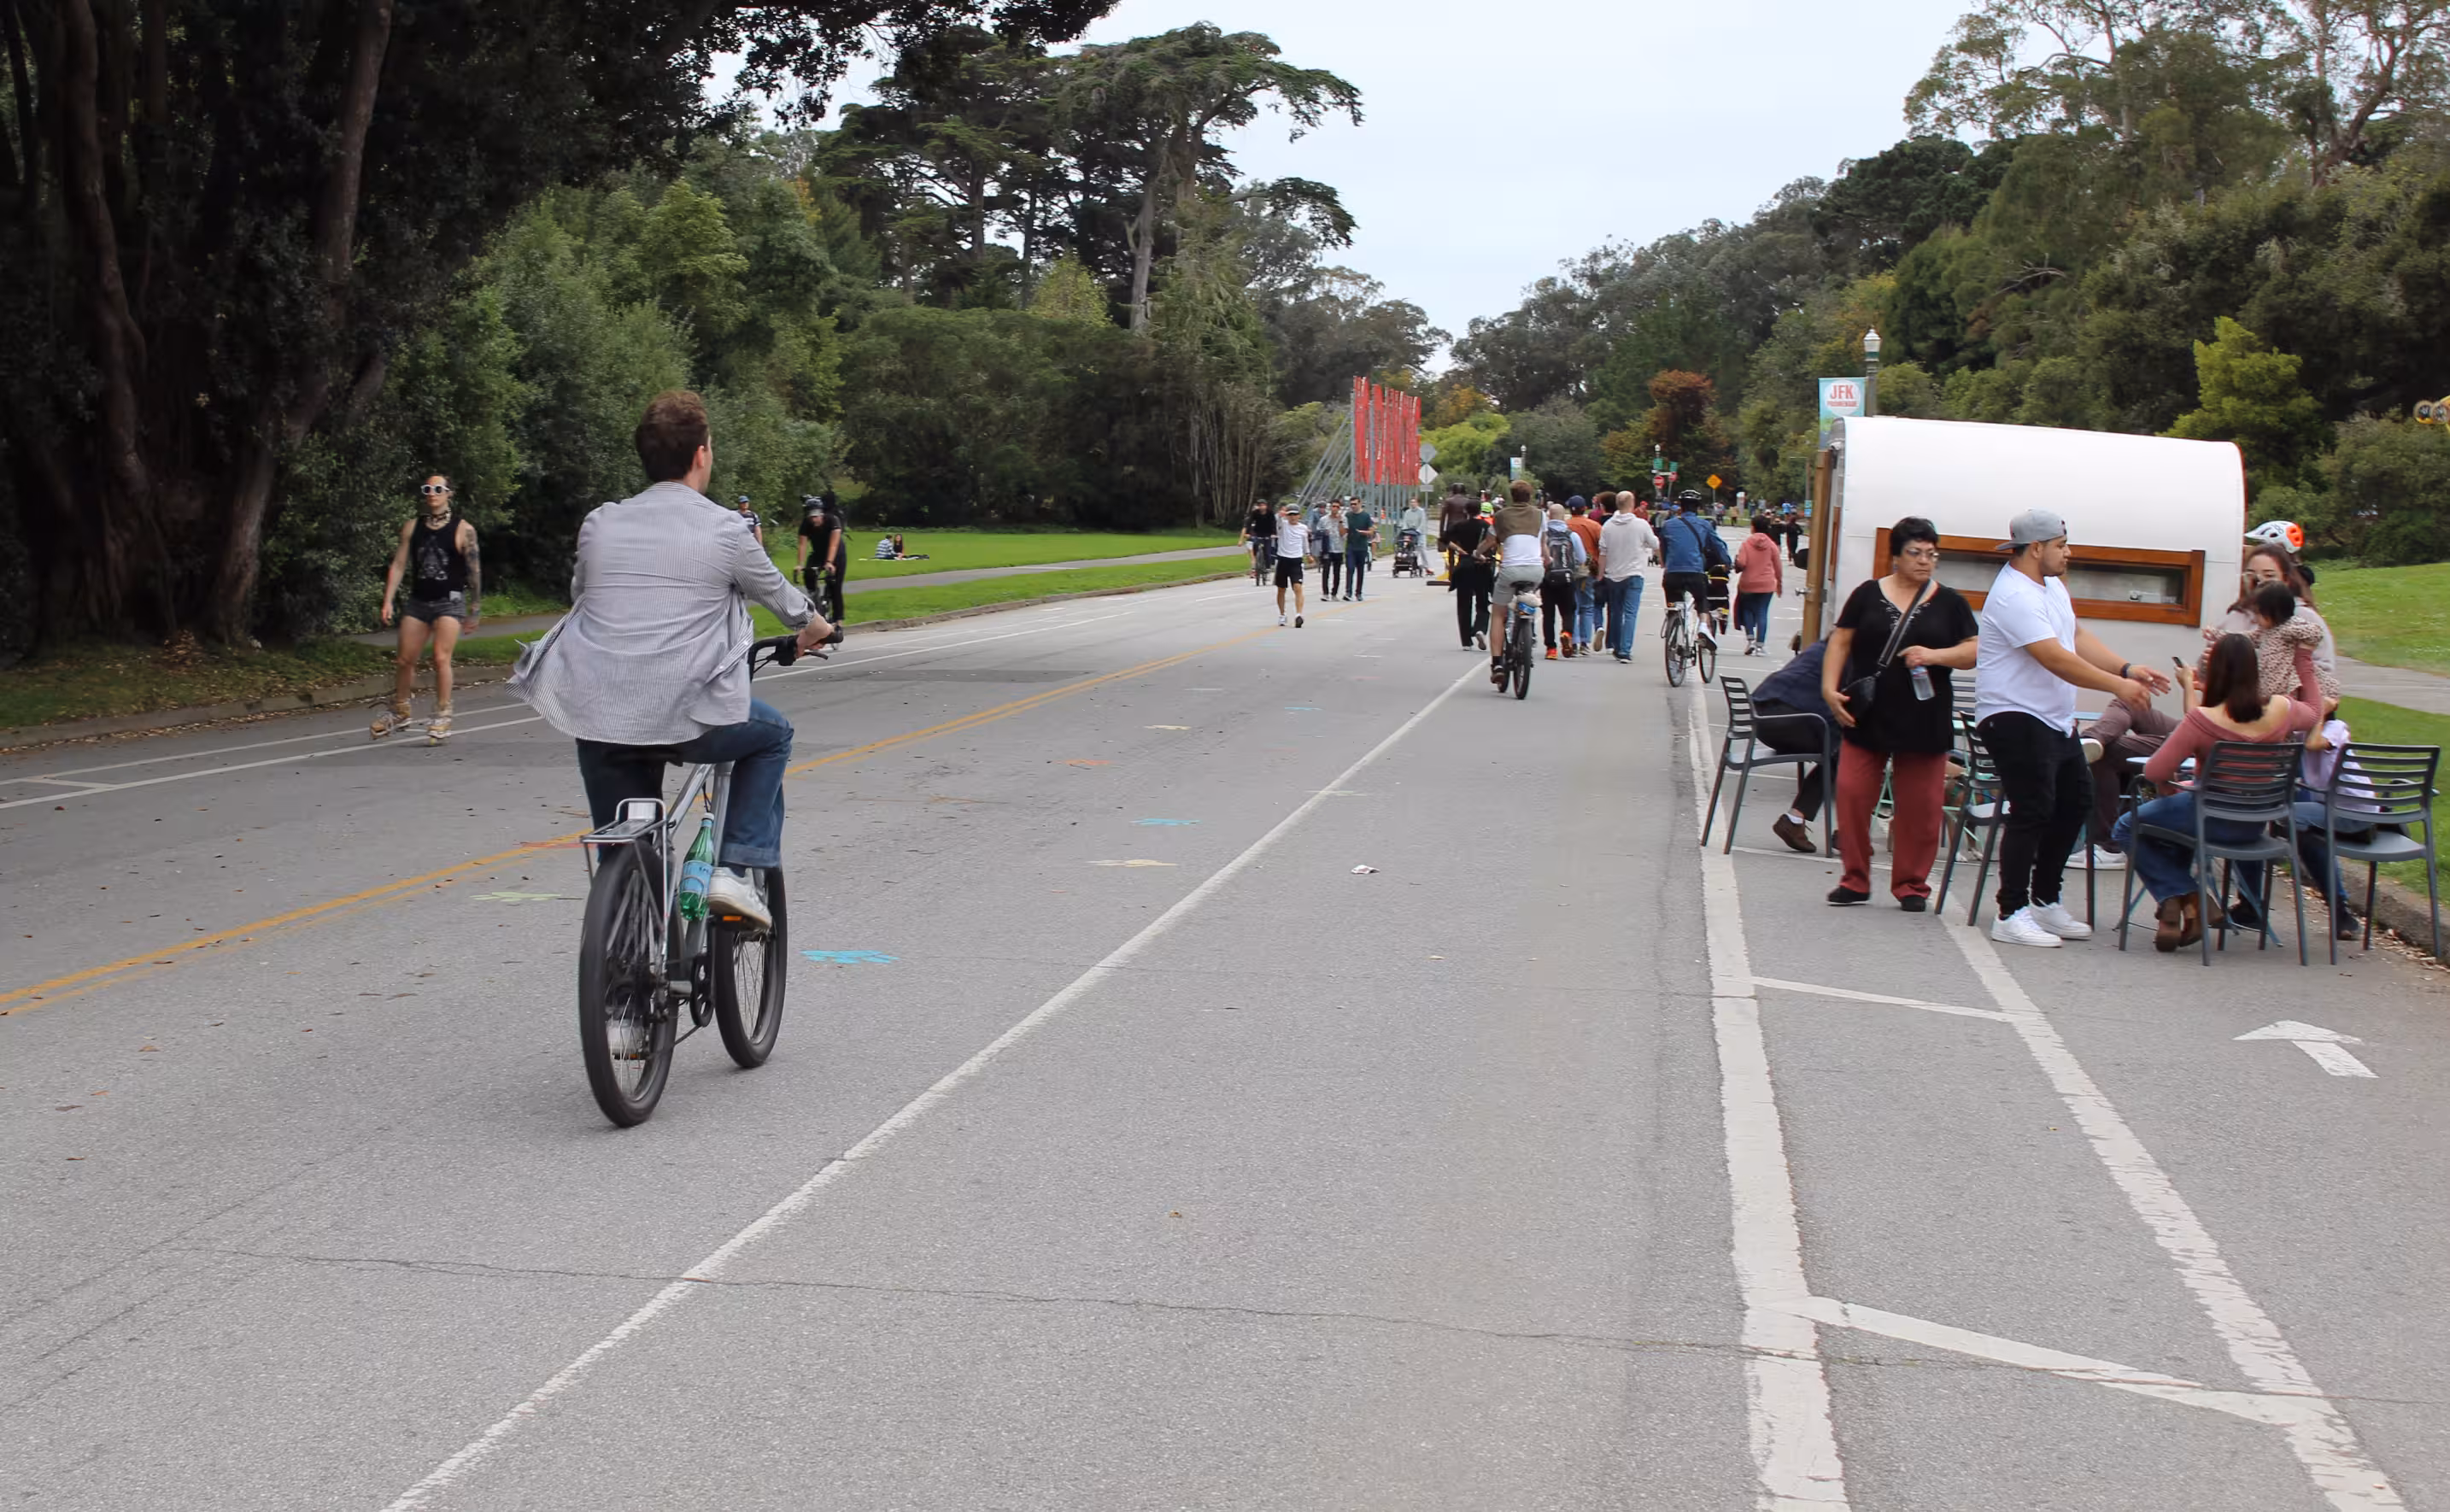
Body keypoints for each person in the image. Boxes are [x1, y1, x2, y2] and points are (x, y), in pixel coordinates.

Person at [509, 390, 834, 931]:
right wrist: (817, 630)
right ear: (702, 454)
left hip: (600, 715)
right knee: (771, 734)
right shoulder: (727, 529)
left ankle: (623, 983)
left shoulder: (600, 523)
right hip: (689, 716)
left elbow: (583, 594)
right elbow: (784, 599)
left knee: (626, 853)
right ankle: (734, 868)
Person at [1975, 508, 2172, 948]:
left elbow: (2076, 637)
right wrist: (2117, 684)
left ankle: (2045, 900)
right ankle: (2010, 912)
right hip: (2012, 714)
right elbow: (2055, 658)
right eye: (2062, 546)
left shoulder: (2052, 587)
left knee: (2075, 802)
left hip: (2051, 717)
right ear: (2037, 548)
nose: (2069, 553)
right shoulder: (2013, 595)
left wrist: (2126, 666)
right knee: (2033, 809)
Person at [2111, 633, 2319, 952]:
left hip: (2207, 819)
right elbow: (2315, 711)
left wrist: (2167, 789)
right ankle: (2179, 912)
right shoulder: (2282, 709)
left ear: (2214, 673)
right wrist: (2304, 661)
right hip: (2256, 823)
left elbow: (2154, 772)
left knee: (2127, 826)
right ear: (2255, 669)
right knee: (2170, 826)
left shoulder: (2203, 718)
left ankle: (2186, 895)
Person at [1820, 517, 1980, 908]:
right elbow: (1841, 641)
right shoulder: (1867, 594)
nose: (1925, 561)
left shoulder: (1951, 602)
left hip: (1925, 718)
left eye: (1932, 554)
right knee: (1853, 795)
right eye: (1915, 553)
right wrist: (1828, 688)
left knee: (1921, 808)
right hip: (1869, 712)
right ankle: (1855, 879)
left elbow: (1974, 651)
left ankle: (1911, 885)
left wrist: (1935, 655)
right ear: (1895, 556)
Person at [375, 474, 482, 744]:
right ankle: (400, 709)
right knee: (404, 659)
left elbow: (474, 571)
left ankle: (443, 713)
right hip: (419, 601)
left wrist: (475, 609)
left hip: (450, 601)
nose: (432, 493)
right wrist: (388, 599)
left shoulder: (464, 530)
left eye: (438, 488)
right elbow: (399, 565)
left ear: (449, 493)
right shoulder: (412, 528)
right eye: (428, 489)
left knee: (440, 657)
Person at [1754, 636, 1836, 852]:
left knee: (1840, 749)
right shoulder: (1844, 655)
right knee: (1845, 751)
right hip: (1786, 721)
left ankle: (1797, 820)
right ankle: (1846, 831)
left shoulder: (1822, 646)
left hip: (1763, 718)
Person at [1480, 481, 1547, 683]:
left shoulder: (1501, 516)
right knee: (1529, 595)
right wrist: (1548, 559)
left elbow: (1490, 541)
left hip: (1510, 571)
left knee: (1499, 615)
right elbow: (1543, 544)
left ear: (1511, 496)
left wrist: (1476, 553)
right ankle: (1528, 632)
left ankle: (1497, 663)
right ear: (1530, 496)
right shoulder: (1541, 515)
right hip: (1535, 570)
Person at [1656, 494, 1729, 642]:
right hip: (1695, 571)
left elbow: (1663, 547)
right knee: (1701, 598)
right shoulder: (1704, 525)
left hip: (1672, 573)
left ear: (1680, 508)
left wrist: (1664, 563)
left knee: (1673, 600)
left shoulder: (1668, 525)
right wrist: (1727, 563)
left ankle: (1673, 627)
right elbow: (1719, 546)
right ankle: (1703, 625)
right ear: (1698, 508)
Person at [1597, 498, 1657, 660]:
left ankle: (1615, 645)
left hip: (1613, 575)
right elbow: (1655, 544)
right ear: (1632, 504)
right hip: (1634, 573)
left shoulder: (1608, 526)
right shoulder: (1641, 525)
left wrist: (1601, 575)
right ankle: (1625, 650)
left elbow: (1603, 553)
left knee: (1615, 611)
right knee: (1630, 613)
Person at [1538, 503, 1586, 659]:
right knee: (1568, 611)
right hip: (1567, 578)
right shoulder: (1572, 535)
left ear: (1549, 516)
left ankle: (1551, 649)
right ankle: (1566, 632)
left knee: (1548, 614)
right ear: (1563, 516)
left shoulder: (1543, 535)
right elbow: (1582, 558)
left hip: (1548, 577)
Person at [1733, 514, 1785, 655]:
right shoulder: (1771, 544)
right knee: (1762, 612)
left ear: (1753, 527)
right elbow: (1778, 566)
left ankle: (1750, 640)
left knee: (1748, 610)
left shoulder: (1746, 543)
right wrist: (1779, 583)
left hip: (1748, 583)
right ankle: (1760, 646)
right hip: (1767, 584)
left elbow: (1742, 563)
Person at [1447, 498, 1492, 649]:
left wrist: (1459, 549)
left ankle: (1466, 641)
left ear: (1466, 511)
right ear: (1480, 511)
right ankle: (1480, 628)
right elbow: (1493, 543)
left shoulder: (1459, 525)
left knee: (1464, 604)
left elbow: (1444, 539)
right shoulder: (1486, 526)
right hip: (1481, 565)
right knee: (1483, 601)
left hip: (1464, 565)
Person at [1566, 497, 1603, 653]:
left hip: (1568, 570)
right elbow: (1603, 548)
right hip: (1588, 570)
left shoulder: (1565, 526)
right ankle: (1584, 643)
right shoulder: (1594, 526)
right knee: (1587, 606)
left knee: (1572, 606)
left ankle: (1572, 641)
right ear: (1585, 508)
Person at [1272, 501, 1310, 628]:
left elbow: (1305, 543)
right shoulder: (1283, 525)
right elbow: (1276, 521)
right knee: (1281, 589)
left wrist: (1308, 554)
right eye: (1290, 515)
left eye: (1295, 514)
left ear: (1299, 515)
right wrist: (1281, 513)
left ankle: (1299, 614)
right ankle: (1282, 614)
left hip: (1296, 560)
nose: (1293, 517)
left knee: (1298, 587)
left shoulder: (1303, 528)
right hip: (1283, 559)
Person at [1344, 496, 1376, 601]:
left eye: (1355, 504)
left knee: (1360, 570)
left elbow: (1372, 532)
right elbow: (1344, 530)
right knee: (1350, 568)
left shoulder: (1366, 516)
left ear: (1360, 504)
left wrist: (1364, 532)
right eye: (1351, 504)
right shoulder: (1348, 515)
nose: (1353, 506)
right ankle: (1348, 592)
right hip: (1351, 546)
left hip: (1361, 547)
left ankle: (1359, 593)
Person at [1313, 498, 1344, 599]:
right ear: (1330, 507)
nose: (1334, 509)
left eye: (1337, 507)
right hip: (1327, 548)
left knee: (1337, 572)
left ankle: (1334, 593)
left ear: (1339, 508)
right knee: (1325, 571)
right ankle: (1325, 593)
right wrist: (1323, 533)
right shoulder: (1323, 519)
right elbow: (1318, 531)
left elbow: (1344, 534)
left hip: (1338, 548)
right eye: (1333, 506)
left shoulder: (1343, 519)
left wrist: (1340, 522)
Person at [1244, 497, 1277, 586]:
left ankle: (1268, 569)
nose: (1261, 507)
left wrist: (1273, 533)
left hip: (1268, 533)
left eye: (1263, 505)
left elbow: (1273, 523)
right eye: (1260, 506)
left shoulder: (1270, 513)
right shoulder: (1255, 513)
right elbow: (1249, 522)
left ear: (1266, 506)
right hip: (1258, 532)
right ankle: (1257, 562)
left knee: (1267, 551)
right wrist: (1248, 533)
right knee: (1255, 545)